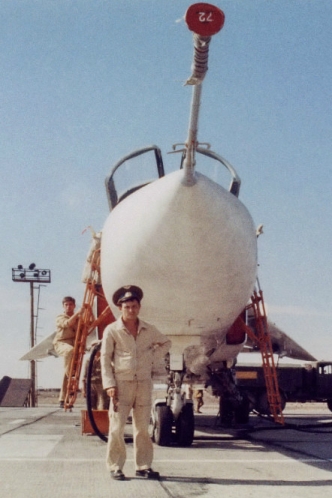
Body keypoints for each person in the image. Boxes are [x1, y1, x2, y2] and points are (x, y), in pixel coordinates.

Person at [100, 285, 171, 481]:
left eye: (134, 306)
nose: (131, 310)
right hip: (120, 385)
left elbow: (166, 343)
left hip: (143, 384)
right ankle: (115, 466)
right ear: (120, 308)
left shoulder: (149, 329)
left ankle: (143, 466)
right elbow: (105, 359)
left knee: (142, 429)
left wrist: (150, 358)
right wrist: (109, 384)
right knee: (116, 428)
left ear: (139, 307)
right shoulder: (112, 330)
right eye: (127, 307)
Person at [53, 296, 81, 408]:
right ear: (63, 306)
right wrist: (78, 313)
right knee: (70, 352)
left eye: (70, 304)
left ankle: (62, 399)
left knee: (67, 371)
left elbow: (90, 324)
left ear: (74, 305)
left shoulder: (78, 318)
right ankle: (71, 377)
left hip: (74, 345)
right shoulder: (60, 317)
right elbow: (68, 323)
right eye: (66, 305)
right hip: (61, 343)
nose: (68, 307)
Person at [82, 343, 109, 410]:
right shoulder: (88, 361)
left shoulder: (104, 360)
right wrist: (84, 389)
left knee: (103, 405)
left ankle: (102, 420)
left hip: (101, 385)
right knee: (91, 406)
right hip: (91, 385)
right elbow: (84, 376)